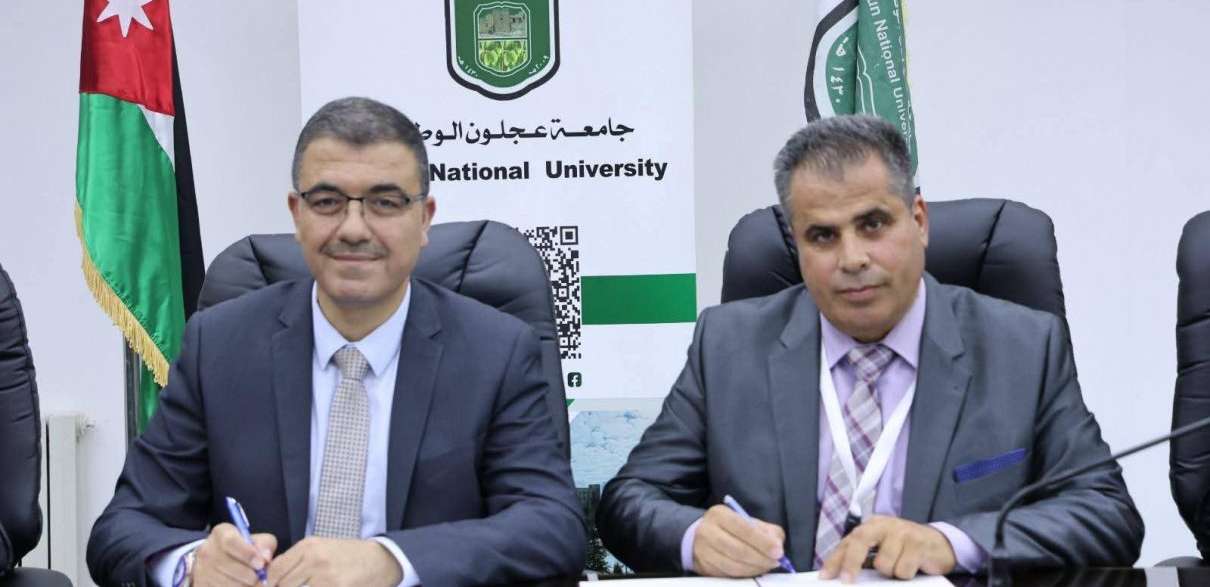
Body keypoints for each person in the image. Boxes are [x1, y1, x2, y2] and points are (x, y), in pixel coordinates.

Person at [596, 114, 1143, 582]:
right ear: (798, 244)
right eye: (823, 236)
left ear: (919, 222)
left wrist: (953, 542)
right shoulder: (728, 345)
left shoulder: (1022, 348)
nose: (852, 258)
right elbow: (628, 501)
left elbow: (1106, 515)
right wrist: (694, 535)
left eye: (873, 224)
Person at [87, 97, 586, 587]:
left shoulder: (496, 351)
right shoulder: (218, 346)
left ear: (424, 218)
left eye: (385, 203)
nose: (352, 229)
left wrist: (391, 561)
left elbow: (551, 525)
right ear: (296, 214)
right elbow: (123, 528)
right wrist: (194, 563)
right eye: (327, 202)